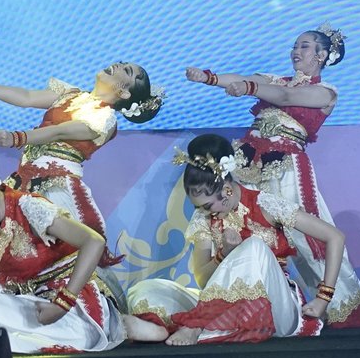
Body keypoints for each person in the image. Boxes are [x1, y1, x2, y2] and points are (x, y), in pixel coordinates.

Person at [184, 25, 360, 327]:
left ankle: (346, 314)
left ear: (322, 55)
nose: (296, 51)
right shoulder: (275, 80)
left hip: (285, 167)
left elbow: (286, 97)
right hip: (247, 161)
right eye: (295, 46)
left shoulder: (325, 92)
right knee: (235, 228)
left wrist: (249, 88)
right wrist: (209, 78)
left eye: (304, 46)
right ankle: (240, 310)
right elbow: (243, 79)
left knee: (309, 240)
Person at [0, 138, 168, 353]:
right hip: (25, 298)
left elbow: (94, 241)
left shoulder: (29, 207)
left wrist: (61, 304)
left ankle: (111, 323)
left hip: (68, 300)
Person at [127, 134, 340, 345]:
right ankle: (161, 329)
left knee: (253, 246)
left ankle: (196, 326)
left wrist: (323, 298)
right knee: (149, 288)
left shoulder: (266, 204)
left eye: (208, 206)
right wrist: (223, 254)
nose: (205, 212)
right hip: (222, 305)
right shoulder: (203, 218)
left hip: (276, 305)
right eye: (199, 207)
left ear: (227, 190)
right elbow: (203, 280)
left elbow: (335, 237)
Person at [0, 62, 162, 242]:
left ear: (124, 93)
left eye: (126, 70)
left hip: (54, 186)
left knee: (43, 245)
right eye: (122, 62)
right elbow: (27, 97)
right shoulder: (71, 94)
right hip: (22, 178)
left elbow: (59, 131)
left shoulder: (106, 119)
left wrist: (18, 138)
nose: (118, 64)